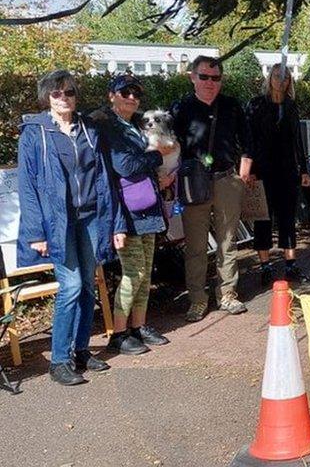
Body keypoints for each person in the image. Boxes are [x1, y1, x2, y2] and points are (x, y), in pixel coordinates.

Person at [17, 70, 126, 385]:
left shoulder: (89, 129)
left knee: (89, 286)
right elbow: (28, 187)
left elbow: (106, 179)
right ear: (47, 97)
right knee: (72, 287)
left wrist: (115, 223)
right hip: (57, 221)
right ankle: (59, 360)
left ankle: (80, 351)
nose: (63, 98)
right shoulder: (34, 133)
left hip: (90, 216)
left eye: (68, 92)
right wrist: (35, 232)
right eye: (56, 93)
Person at [91, 75, 175, 356]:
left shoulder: (135, 125)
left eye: (136, 93)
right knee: (132, 272)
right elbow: (124, 166)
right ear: (111, 95)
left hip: (146, 206)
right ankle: (118, 333)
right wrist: (156, 156)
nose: (131, 97)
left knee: (144, 271)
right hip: (125, 211)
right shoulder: (108, 126)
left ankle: (138, 327)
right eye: (124, 92)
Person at [171, 56, 254, 322]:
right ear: (192, 77)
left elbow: (249, 139)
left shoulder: (231, 106)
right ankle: (197, 299)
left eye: (215, 78)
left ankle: (227, 293)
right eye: (204, 76)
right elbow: (170, 145)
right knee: (195, 245)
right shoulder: (181, 108)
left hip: (227, 179)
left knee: (228, 241)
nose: (210, 82)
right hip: (194, 182)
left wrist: (245, 169)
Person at [246, 64, 310, 283]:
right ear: (269, 78)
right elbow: (249, 140)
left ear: (289, 81)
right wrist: (250, 170)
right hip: (262, 171)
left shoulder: (291, 106)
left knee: (287, 218)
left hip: (287, 170)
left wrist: (304, 169)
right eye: (276, 77)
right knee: (263, 218)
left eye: (285, 78)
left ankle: (290, 264)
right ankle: (264, 266)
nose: (280, 82)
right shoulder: (256, 105)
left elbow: (297, 141)